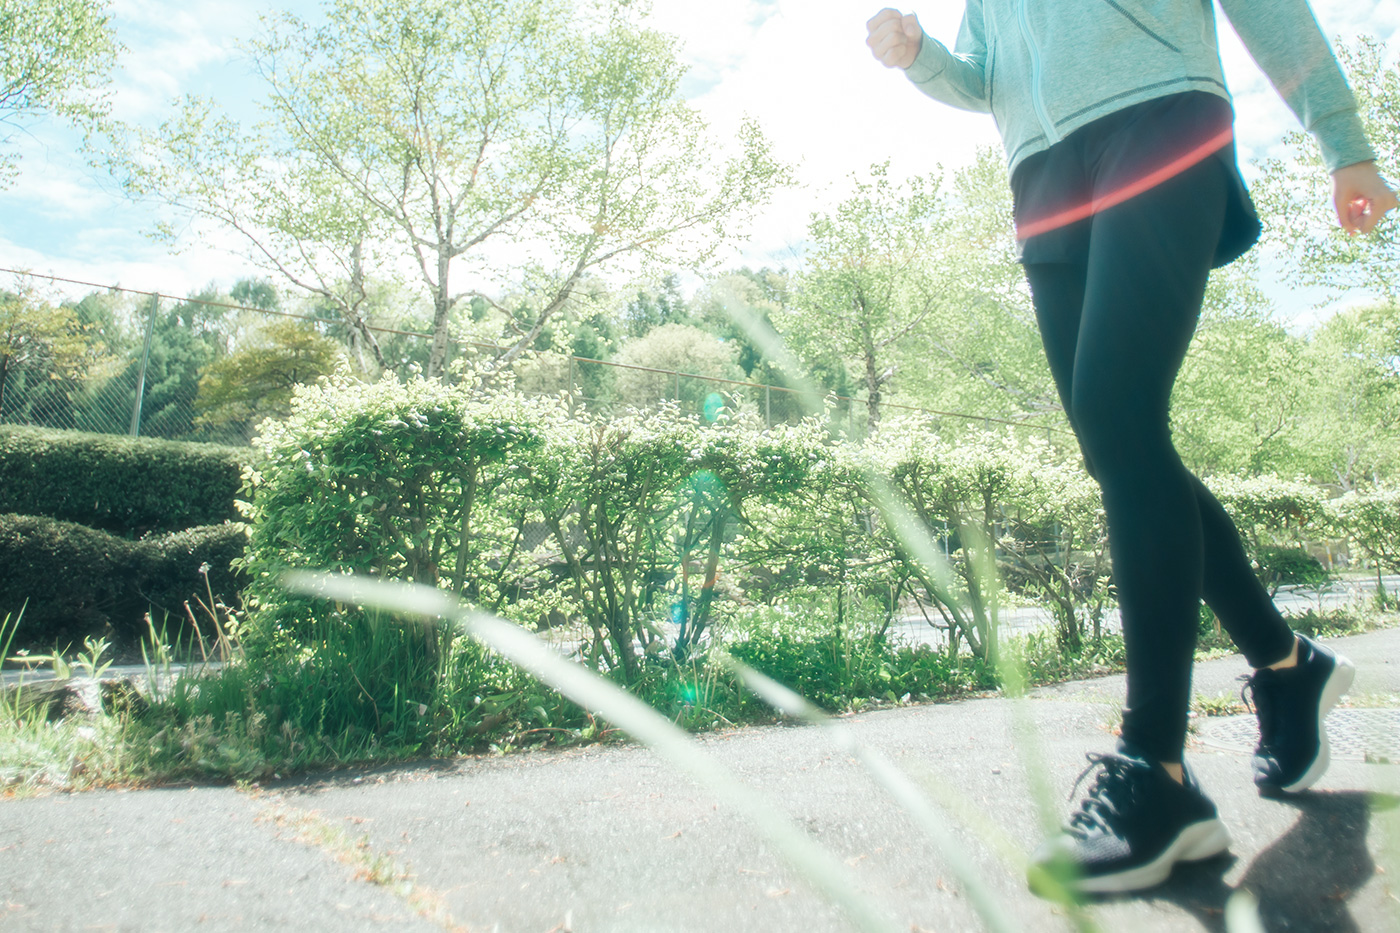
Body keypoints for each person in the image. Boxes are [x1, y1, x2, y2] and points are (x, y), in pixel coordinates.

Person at [865, 2, 1397, 896]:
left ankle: (1157, 772)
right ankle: (1286, 663)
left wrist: (1344, 142)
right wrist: (924, 58)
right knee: (1121, 446)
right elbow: (985, 79)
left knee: (1117, 418)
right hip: (1041, 171)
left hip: (1158, 119)